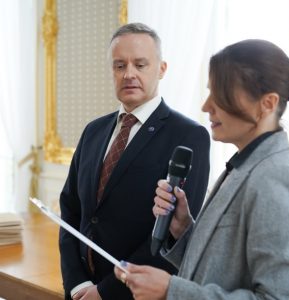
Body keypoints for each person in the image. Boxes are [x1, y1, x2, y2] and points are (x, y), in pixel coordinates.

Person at [114, 39, 289, 300]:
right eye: (210, 92)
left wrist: (172, 290)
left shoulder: (278, 178)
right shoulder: (242, 166)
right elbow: (220, 268)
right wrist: (183, 229)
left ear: (267, 103)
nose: (206, 106)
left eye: (221, 95)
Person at [59, 23, 210, 300]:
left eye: (140, 65)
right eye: (119, 66)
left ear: (162, 69)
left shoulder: (189, 136)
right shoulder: (93, 130)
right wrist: (77, 284)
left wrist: (105, 292)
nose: (129, 74)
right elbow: (70, 211)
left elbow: (171, 237)